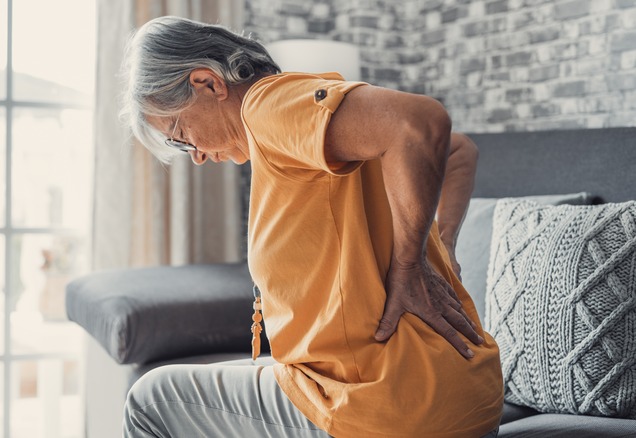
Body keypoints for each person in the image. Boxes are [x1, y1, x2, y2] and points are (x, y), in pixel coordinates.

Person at [120, 16, 503, 438]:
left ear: (208, 83)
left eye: (180, 133)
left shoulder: (267, 106)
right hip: (463, 397)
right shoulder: (318, 126)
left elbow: (421, 123)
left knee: (149, 400)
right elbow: (459, 151)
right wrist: (444, 246)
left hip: (388, 408)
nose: (195, 155)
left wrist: (410, 266)